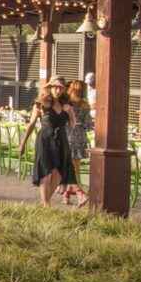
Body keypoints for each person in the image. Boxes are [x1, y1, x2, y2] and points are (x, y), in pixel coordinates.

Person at [19, 81, 73, 207]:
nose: (58, 90)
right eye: (55, 87)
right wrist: (23, 143)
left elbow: (71, 124)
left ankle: (45, 202)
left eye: (61, 88)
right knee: (46, 172)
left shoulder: (66, 105)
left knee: (58, 174)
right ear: (50, 88)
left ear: (64, 89)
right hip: (45, 140)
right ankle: (46, 204)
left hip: (61, 140)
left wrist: (70, 113)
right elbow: (31, 124)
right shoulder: (40, 105)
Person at [62, 77, 92, 206]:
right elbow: (88, 124)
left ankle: (76, 193)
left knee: (69, 167)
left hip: (67, 136)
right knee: (75, 167)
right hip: (80, 137)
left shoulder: (66, 104)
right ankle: (68, 193)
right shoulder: (85, 105)